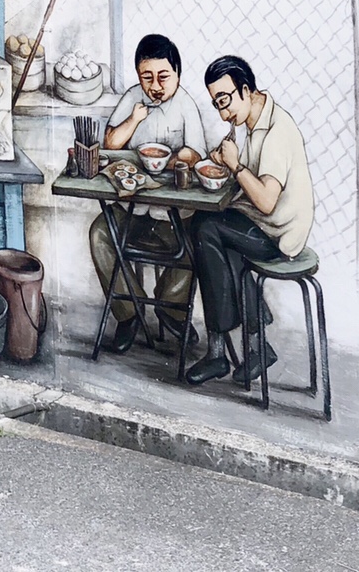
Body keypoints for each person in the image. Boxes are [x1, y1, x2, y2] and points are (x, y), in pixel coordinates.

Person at [184, 55, 315, 388]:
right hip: (266, 224)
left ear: (245, 90)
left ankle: (219, 352)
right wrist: (227, 162)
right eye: (216, 104)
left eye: (224, 101)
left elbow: (267, 201)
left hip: (281, 236)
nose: (222, 113)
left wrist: (235, 166)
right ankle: (256, 346)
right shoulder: (256, 122)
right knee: (211, 230)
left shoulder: (276, 131)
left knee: (204, 229)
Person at [89, 34, 211, 353]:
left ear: (177, 74)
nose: (155, 85)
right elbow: (111, 143)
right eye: (147, 77)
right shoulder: (133, 97)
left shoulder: (185, 104)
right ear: (138, 76)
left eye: (163, 77)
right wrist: (135, 118)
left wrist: (169, 161)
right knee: (100, 234)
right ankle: (129, 312)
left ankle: (171, 310)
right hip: (131, 210)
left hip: (172, 216)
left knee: (194, 244)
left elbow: (195, 152)